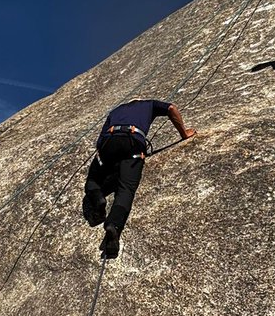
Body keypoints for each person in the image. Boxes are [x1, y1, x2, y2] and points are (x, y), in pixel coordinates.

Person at [82, 98, 196, 258]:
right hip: (133, 143)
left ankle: (98, 199)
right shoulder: (149, 104)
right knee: (126, 189)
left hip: (110, 140)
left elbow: (99, 142)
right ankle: (113, 226)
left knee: (93, 180)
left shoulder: (116, 110)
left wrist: (109, 161)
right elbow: (171, 108)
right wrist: (184, 134)